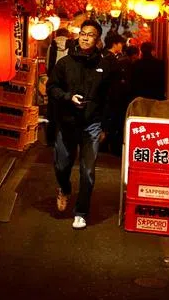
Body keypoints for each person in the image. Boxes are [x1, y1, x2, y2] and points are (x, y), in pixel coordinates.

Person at [47, 20, 117, 230]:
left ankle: (81, 212)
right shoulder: (65, 63)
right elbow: (51, 87)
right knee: (61, 165)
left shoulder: (104, 66)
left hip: (92, 124)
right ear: (79, 36)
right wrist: (68, 97)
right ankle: (65, 188)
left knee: (87, 171)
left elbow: (109, 98)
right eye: (83, 33)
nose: (86, 37)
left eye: (91, 35)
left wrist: (105, 125)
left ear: (98, 40)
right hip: (67, 122)